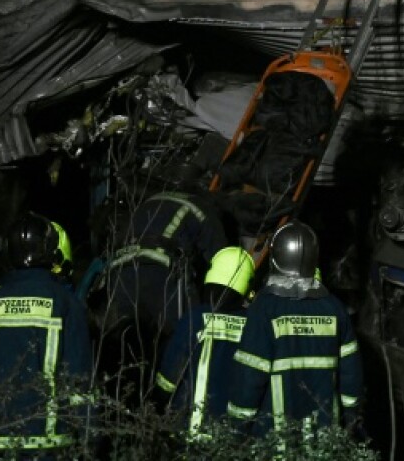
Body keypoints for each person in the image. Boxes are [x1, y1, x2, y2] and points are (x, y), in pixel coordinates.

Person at [0, 212, 93, 456]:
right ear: (50, 251)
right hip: (50, 443)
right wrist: (90, 439)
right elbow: (79, 379)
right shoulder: (64, 302)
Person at [227, 221, 364, 439]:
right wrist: (352, 417)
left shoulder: (264, 309)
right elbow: (351, 376)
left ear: (275, 258)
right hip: (326, 440)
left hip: (274, 441)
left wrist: (236, 428)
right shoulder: (335, 308)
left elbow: (249, 376)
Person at [100, 188, 227, 405]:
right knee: (180, 340)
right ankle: (165, 406)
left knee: (123, 347)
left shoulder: (148, 199)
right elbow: (223, 260)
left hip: (119, 271)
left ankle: (119, 405)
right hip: (163, 274)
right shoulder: (203, 210)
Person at [156, 246, 256, 434]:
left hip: (188, 434)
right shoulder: (254, 326)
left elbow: (167, 382)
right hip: (235, 438)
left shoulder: (194, 319)